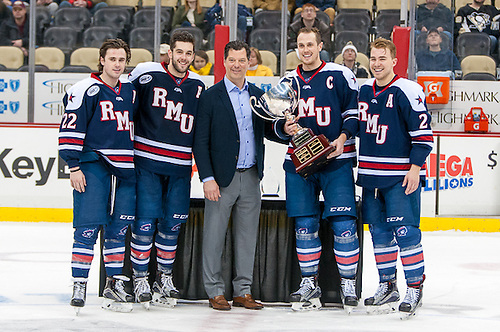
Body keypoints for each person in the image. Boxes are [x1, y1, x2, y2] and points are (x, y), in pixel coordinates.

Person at [276, 27, 360, 312]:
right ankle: (309, 282)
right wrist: (283, 128)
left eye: (310, 44)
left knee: (344, 224)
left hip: (336, 159)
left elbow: (353, 113)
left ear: (320, 45)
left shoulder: (339, 75)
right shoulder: (287, 81)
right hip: (299, 163)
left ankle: (348, 283)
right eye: (301, 45)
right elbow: (276, 124)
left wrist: (343, 137)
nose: (305, 49)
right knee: (305, 224)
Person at [193, 40, 278, 311]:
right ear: (224, 61)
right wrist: (207, 177)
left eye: (242, 60)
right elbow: (200, 141)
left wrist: (286, 128)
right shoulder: (210, 96)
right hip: (221, 179)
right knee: (214, 236)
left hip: (251, 176)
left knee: (247, 237)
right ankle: (215, 290)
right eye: (232, 60)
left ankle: (243, 291)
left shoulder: (257, 95)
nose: (237, 65)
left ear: (248, 62)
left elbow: (268, 131)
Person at [128, 31, 205, 309]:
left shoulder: (198, 84)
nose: (184, 57)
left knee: (172, 225)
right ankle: (140, 278)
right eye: (179, 52)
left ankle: (164, 277)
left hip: (180, 167)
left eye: (189, 53)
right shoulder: (146, 73)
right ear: (169, 53)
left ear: (193, 55)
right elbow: (123, 105)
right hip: (147, 162)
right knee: (145, 223)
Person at [59, 38, 137, 313]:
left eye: (121, 59)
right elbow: (70, 128)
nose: (117, 64)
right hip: (93, 164)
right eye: (112, 59)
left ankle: (113, 282)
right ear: (102, 60)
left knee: (118, 229)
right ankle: (79, 282)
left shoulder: (130, 90)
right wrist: (74, 166)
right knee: (88, 226)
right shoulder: (86, 89)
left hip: (125, 168)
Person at [357, 38, 433, 319]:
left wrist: (415, 169)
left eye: (382, 59)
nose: (377, 64)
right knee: (379, 234)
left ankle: (415, 287)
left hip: (400, 177)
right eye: (373, 59)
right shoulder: (364, 90)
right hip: (370, 177)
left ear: (394, 61)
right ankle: (388, 285)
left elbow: (424, 137)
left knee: (406, 233)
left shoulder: (407, 90)